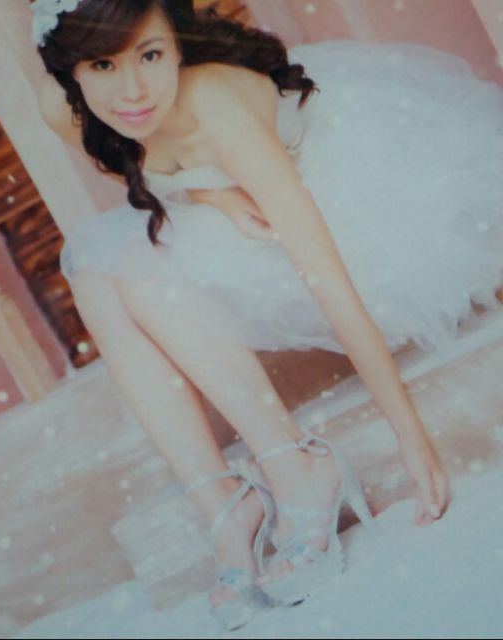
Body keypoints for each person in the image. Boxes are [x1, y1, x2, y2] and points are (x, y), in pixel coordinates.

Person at [31, 0, 503, 630]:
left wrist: (410, 438)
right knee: (94, 268)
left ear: (177, 45)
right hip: (238, 198)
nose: (132, 91)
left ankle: (297, 467)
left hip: (339, 199)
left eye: (151, 55)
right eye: (102, 65)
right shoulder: (62, 108)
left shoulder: (220, 109)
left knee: (137, 276)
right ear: (72, 70)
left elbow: (328, 282)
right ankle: (224, 506)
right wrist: (209, 192)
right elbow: (131, 160)